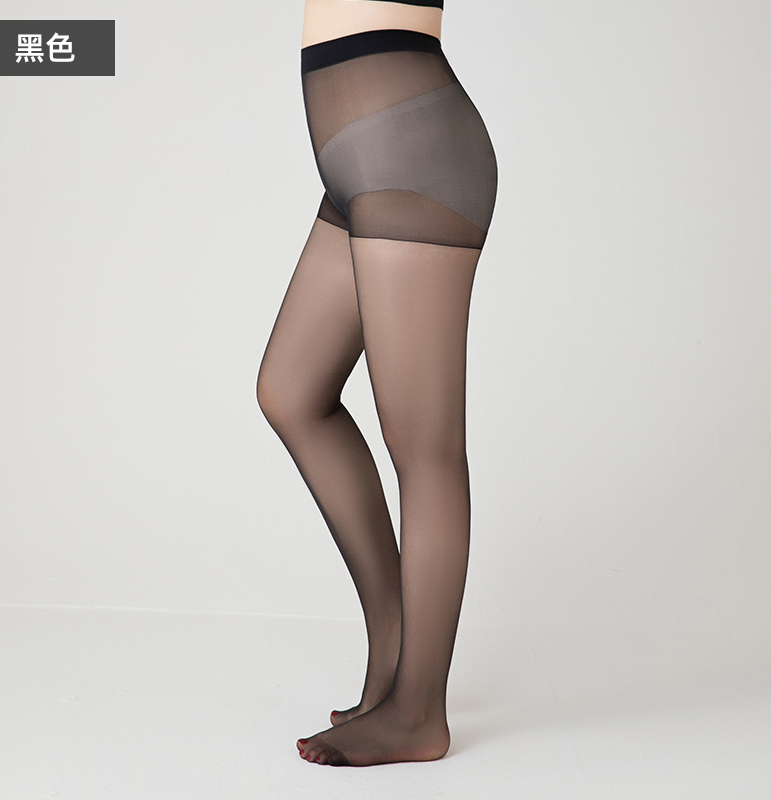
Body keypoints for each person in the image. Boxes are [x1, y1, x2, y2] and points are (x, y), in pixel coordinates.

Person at [256, 0, 498, 767]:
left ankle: (418, 712)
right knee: (291, 391)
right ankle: (395, 647)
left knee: (423, 443)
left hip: (408, 148)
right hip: (361, 152)